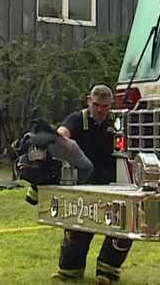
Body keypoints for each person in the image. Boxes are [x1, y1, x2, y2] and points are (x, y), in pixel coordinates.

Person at [54, 85, 130, 284]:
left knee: (122, 227)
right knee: (77, 227)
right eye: (96, 105)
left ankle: (107, 273)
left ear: (110, 105)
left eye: (105, 106)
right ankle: (69, 272)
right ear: (89, 101)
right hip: (85, 182)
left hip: (113, 183)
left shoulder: (118, 121)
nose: (100, 110)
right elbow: (61, 134)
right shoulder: (77, 119)